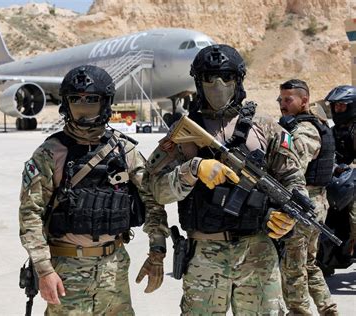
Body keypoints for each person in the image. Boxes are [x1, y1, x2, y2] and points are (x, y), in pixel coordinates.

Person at [146, 44, 305, 315]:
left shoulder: (265, 127)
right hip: (205, 255)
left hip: (258, 253)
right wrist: (192, 170)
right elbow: (156, 190)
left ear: (238, 80)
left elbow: (292, 177)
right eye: (209, 78)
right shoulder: (183, 133)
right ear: (198, 81)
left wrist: (288, 215)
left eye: (226, 77)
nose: (218, 85)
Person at [18, 65, 168, 315]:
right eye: (76, 100)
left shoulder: (124, 150)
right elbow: (30, 214)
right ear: (66, 104)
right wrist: (44, 270)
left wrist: (157, 252)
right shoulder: (50, 154)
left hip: (115, 268)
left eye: (92, 100)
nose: (83, 107)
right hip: (66, 272)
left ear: (105, 104)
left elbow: (152, 200)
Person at [277, 79, 338, 315]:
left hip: (304, 204)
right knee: (308, 264)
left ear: (304, 100)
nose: (283, 105)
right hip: (315, 203)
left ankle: (299, 312)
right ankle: (328, 309)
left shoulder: (305, 129)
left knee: (293, 268)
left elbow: (294, 164)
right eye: (281, 100)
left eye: (288, 100)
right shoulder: (315, 122)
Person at [317, 85, 356, 276]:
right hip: (340, 182)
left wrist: (349, 167)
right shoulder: (335, 130)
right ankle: (326, 259)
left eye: (341, 106)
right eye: (335, 106)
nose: (337, 110)